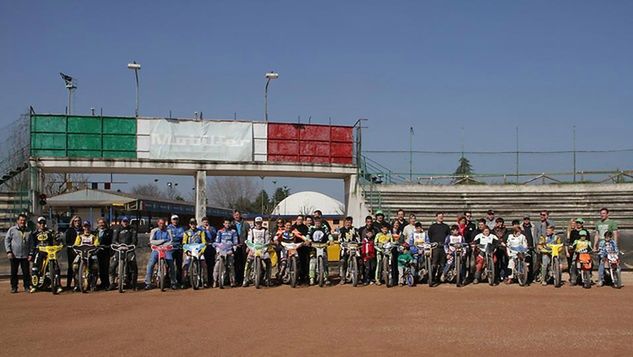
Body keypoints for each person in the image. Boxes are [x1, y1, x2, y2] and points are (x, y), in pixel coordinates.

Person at [29, 217, 62, 294]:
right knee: (35, 268)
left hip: (50, 252)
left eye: (43, 223)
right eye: (40, 223)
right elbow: (32, 245)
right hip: (39, 252)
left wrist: (59, 242)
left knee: (56, 268)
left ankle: (58, 286)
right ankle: (34, 286)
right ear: (37, 224)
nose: (42, 225)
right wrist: (31, 253)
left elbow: (57, 238)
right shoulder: (34, 233)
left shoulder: (50, 232)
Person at [145, 218, 177, 290]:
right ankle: (148, 283)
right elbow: (152, 241)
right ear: (158, 223)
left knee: (171, 264)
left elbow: (171, 241)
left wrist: (163, 244)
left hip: (166, 250)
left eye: (163, 223)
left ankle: (173, 282)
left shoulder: (169, 231)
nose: (162, 225)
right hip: (156, 250)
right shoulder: (154, 231)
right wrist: (163, 241)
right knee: (150, 265)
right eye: (160, 223)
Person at [4, 214, 33, 293]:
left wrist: (30, 254)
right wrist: (9, 251)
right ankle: (14, 287)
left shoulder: (29, 231)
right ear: (17, 221)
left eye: (24, 220)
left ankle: (27, 286)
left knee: (26, 273)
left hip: (25, 256)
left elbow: (31, 243)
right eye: (21, 220)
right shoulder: (12, 230)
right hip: (14, 255)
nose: (22, 222)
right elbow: (7, 240)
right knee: (14, 272)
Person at [108, 216, 138, 290]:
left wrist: (130, 246)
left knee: (133, 263)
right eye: (124, 221)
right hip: (118, 249)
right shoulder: (117, 229)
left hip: (129, 249)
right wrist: (118, 245)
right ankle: (112, 283)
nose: (125, 223)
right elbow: (114, 240)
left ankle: (133, 284)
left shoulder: (132, 229)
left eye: (126, 221)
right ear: (121, 222)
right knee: (112, 265)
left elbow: (134, 240)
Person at [72, 221, 101, 292]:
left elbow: (97, 244)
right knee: (75, 266)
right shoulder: (80, 235)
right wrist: (74, 247)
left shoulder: (94, 235)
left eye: (88, 226)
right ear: (83, 227)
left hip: (91, 254)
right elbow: (76, 244)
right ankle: (77, 285)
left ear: (90, 227)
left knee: (95, 267)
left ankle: (93, 285)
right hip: (81, 254)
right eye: (85, 226)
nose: (87, 228)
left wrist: (96, 246)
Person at [243, 217, 271, 287]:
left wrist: (265, 249)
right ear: (255, 223)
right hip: (253, 248)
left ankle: (267, 278)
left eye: (260, 222)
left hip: (263, 248)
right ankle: (246, 279)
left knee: (268, 261)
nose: (258, 224)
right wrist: (251, 248)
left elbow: (267, 241)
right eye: (257, 223)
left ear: (262, 223)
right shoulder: (251, 230)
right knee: (248, 262)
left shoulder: (265, 230)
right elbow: (249, 240)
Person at [182, 218, 208, 287]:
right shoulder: (186, 233)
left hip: (199, 251)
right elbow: (184, 243)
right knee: (185, 265)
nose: (193, 225)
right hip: (190, 251)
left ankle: (205, 281)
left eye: (194, 224)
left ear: (196, 224)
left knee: (204, 264)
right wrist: (187, 251)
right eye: (191, 224)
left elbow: (204, 242)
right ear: (189, 224)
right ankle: (184, 281)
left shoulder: (201, 232)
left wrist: (201, 251)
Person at [307, 217, 333, 285]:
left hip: (323, 245)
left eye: (319, 222)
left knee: (325, 261)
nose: (318, 223)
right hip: (314, 246)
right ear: (314, 222)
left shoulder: (324, 227)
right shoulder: (311, 228)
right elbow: (308, 235)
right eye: (316, 222)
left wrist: (331, 240)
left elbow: (329, 234)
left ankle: (325, 277)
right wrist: (308, 240)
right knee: (312, 261)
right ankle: (311, 278)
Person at [213, 218, 239, 288]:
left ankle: (232, 281)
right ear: (223, 224)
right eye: (226, 223)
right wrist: (217, 250)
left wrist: (234, 249)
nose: (227, 225)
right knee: (217, 265)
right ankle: (215, 281)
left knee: (231, 266)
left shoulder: (233, 231)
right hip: (221, 250)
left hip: (229, 250)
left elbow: (235, 242)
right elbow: (217, 241)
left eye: (228, 223)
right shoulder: (220, 231)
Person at [427, 212, 451, 284]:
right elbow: (430, 236)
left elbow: (448, 237)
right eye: (439, 216)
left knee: (442, 264)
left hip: (443, 247)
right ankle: (432, 277)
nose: (441, 217)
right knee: (434, 264)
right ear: (436, 217)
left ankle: (438, 278)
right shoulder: (432, 226)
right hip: (435, 247)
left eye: (442, 216)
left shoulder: (446, 226)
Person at [338, 216, 359, 284]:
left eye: (350, 222)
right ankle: (343, 278)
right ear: (345, 222)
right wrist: (341, 244)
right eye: (347, 222)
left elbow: (358, 238)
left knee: (360, 260)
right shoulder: (341, 230)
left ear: (352, 223)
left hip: (354, 247)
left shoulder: (354, 229)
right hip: (345, 248)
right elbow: (339, 239)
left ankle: (357, 276)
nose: (348, 224)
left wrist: (359, 243)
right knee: (343, 261)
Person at [231, 210, 250, 286]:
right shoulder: (231, 224)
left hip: (243, 246)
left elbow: (249, 235)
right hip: (234, 246)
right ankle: (235, 279)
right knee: (235, 263)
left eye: (238, 214)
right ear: (233, 216)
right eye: (235, 215)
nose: (236, 216)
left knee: (243, 263)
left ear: (240, 215)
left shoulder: (245, 224)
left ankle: (243, 279)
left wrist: (248, 246)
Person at [167, 215, 185, 288]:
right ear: (171, 220)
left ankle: (179, 281)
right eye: (174, 219)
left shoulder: (181, 228)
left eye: (176, 219)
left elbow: (182, 236)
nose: (175, 221)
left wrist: (174, 236)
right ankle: (168, 281)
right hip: (170, 249)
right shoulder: (168, 228)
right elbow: (169, 237)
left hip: (179, 248)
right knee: (169, 266)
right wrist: (176, 236)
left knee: (179, 266)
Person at [64, 215, 82, 289]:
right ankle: (68, 285)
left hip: (81, 251)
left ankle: (79, 284)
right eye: (75, 221)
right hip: (71, 251)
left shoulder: (82, 230)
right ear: (73, 222)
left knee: (80, 267)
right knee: (71, 268)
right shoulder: (69, 230)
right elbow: (67, 241)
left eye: (78, 221)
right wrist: (71, 246)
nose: (77, 222)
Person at [199, 216, 217, 286]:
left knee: (210, 265)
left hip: (210, 248)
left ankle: (210, 281)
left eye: (206, 222)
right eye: (204, 222)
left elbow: (214, 236)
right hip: (202, 248)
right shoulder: (199, 229)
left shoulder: (212, 228)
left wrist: (208, 230)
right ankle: (201, 281)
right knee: (202, 265)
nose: (205, 223)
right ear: (202, 222)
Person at [95, 218, 112, 290]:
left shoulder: (109, 231)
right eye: (100, 223)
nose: (101, 224)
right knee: (98, 269)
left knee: (105, 268)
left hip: (105, 252)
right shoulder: (95, 232)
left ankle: (106, 284)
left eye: (103, 223)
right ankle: (101, 283)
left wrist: (108, 246)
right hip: (96, 252)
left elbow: (112, 241)